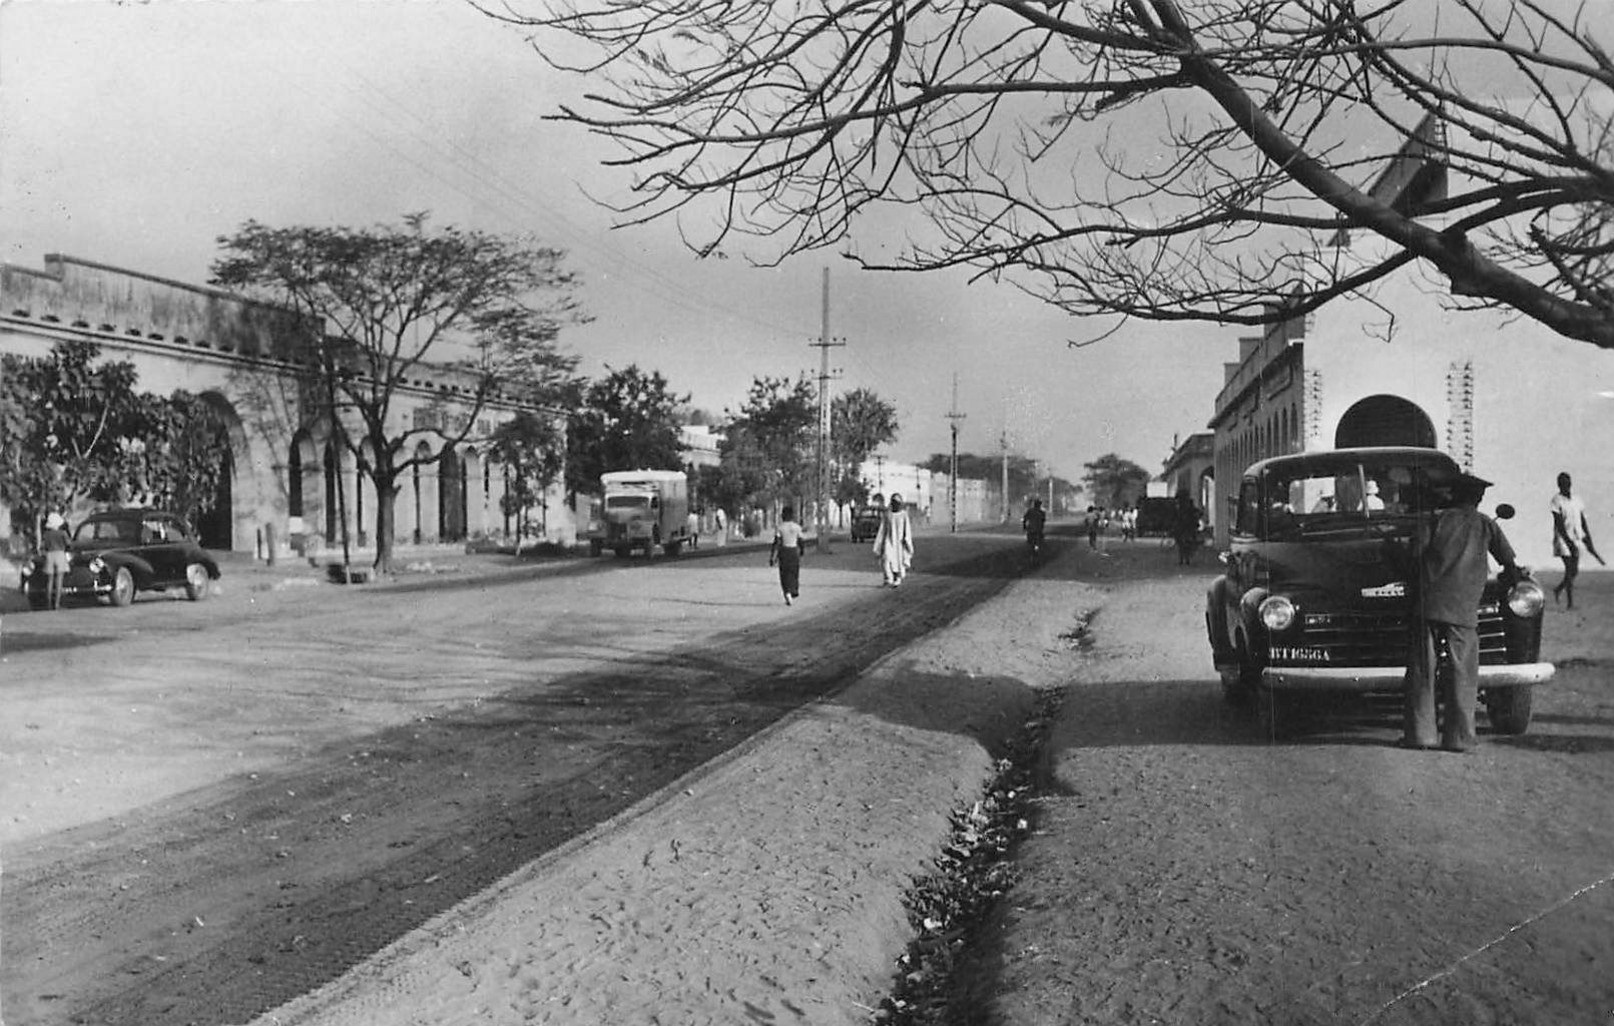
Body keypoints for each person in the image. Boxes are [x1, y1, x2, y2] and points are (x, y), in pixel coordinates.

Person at [1404, 472, 1526, 753]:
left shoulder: (1434, 519)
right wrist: (1515, 576)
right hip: (1463, 609)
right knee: (1463, 672)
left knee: (1423, 670)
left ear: (1453, 494)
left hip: (1429, 604)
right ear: (1478, 498)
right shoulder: (1486, 524)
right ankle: (1460, 738)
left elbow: (1413, 557)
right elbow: (1509, 562)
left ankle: (1420, 736)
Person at [1550, 471, 1604, 609]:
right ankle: (1570, 603)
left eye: (1567, 483)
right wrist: (1569, 543)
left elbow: (1583, 521)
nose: (1565, 486)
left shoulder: (1577, 500)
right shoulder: (1556, 500)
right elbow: (1559, 524)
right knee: (1569, 569)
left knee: (1574, 571)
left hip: (1577, 537)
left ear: (1570, 483)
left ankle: (1558, 589)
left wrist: (1588, 540)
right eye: (1562, 483)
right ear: (1559, 485)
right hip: (1563, 539)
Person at [872, 492, 914, 587]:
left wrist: (907, 543)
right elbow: (882, 530)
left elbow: (907, 530)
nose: (895, 504)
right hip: (888, 540)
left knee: (898, 560)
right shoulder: (887, 515)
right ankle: (888, 578)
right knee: (886, 558)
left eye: (897, 502)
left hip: (899, 542)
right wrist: (879, 544)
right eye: (893, 502)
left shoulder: (904, 515)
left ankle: (897, 578)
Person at [768, 505, 806, 605]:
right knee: (794, 572)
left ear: (783, 516)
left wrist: (772, 556)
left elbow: (776, 543)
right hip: (794, 551)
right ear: (792, 516)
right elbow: (801, 541)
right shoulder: (797, 527)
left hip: (784, 552)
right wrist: (802, 551)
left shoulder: (780, 528)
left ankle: (787, 592)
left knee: (784, 573)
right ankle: (793, 590)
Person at [41, 511, 71, 610]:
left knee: (49, 581)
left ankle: (48, 603)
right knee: (59, 581)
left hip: (50, 555)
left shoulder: (46, 534)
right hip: (60, 554)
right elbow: (68, 544)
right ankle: (57, 604)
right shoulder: (62, 533)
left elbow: (43, 546)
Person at [1171, 492, 1201, 566]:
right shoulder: (1186, 505)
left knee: (1182, 544)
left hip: (1184, 527)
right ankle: (1185, 559)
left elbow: (1175, 517)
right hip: (1186, 527)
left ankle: (1183, 559)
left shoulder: (1180, 507)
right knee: (1185, 543)